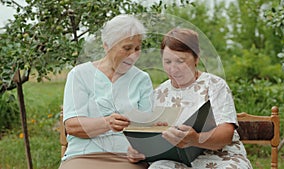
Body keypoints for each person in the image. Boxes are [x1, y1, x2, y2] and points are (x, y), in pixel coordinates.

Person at [127, 28, 253, 169]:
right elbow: (149, 136)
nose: (173, 69)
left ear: (196, 58)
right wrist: (139, 151)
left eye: (180, 61)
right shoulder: (159, 93)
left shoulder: (215, 86)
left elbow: (226, 134)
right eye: (167, 62)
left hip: (221, 158)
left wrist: (196, 139)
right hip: (177, 161)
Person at [59, 14, 153, 169]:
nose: (134, 55)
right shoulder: (79, 75)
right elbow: (72, 126)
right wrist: (107, 123)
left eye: (137, 48)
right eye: (127, 48)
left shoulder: (141, 79)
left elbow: (146, 129)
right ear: (107, 45)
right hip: (83, 155)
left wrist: (143, 147)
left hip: (127, 158)